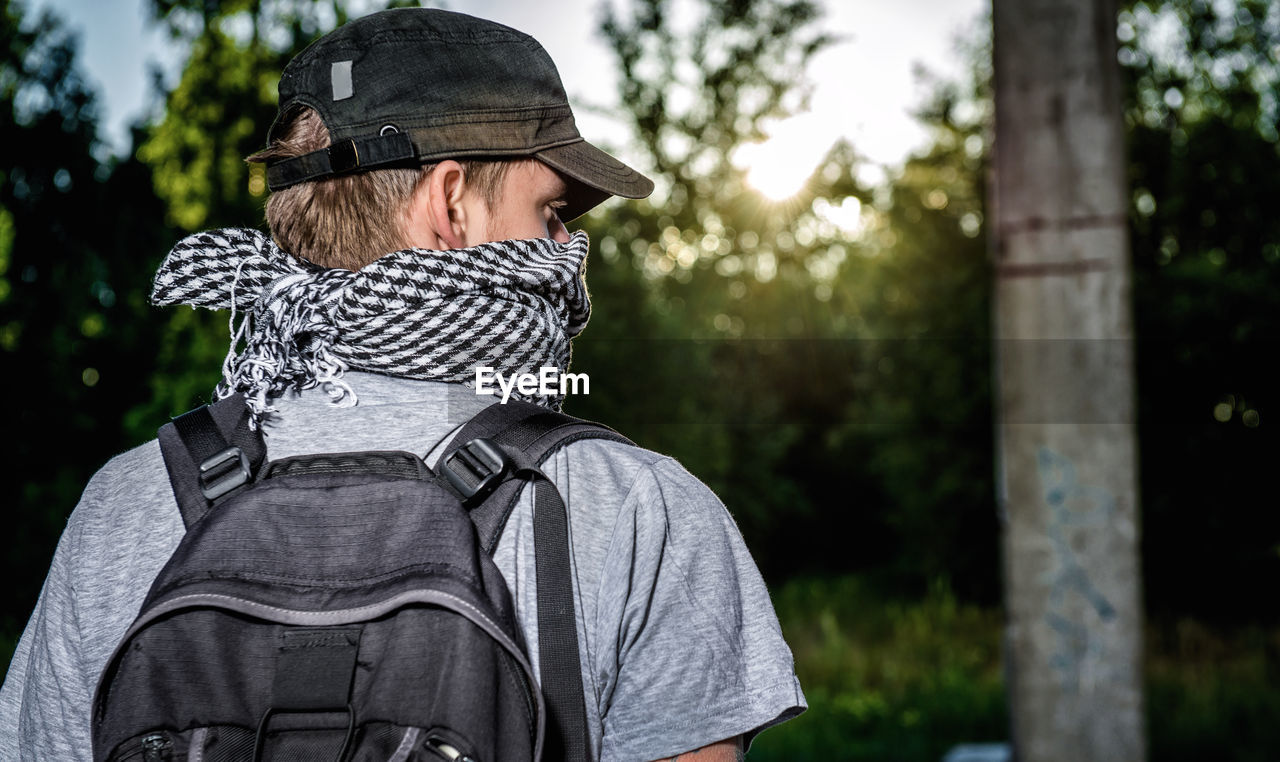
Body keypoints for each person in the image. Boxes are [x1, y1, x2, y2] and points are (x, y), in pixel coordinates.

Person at [0, 8, 805, 761]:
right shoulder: (637, 508)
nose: (569, 249)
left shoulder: (125, 503)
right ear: (451, 202)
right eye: (554, 212)